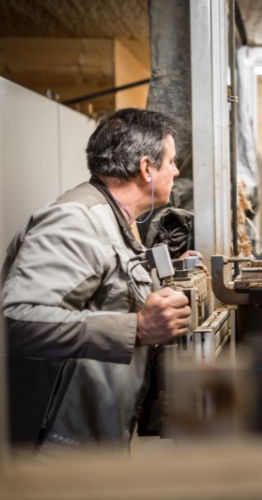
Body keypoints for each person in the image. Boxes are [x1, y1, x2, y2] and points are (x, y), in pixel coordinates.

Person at [2, 108, 196, 453]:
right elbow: (17, 321)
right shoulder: (74, 220)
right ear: (146, 167)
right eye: (171, 162)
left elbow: (106, 282)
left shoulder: (114, 217)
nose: (176, 171)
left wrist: (168, 270)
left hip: (93, 437)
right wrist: (137, 328)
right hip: (56, 447)